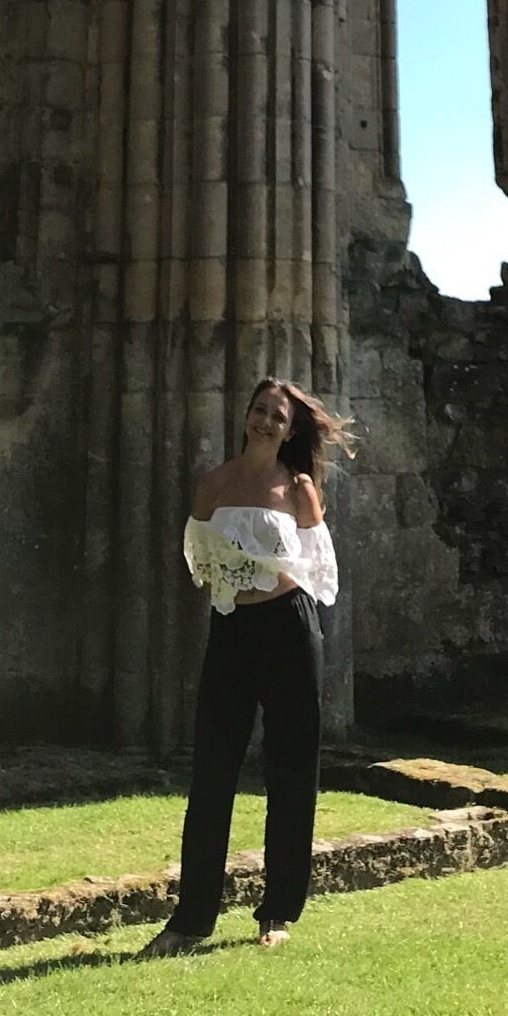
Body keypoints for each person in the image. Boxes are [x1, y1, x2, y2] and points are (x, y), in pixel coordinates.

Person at [140, 376, 354, 955]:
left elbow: (318, 568)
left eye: (277, 417)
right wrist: (231, 579)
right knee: (212, 772)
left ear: (289, 429)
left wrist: (270, 579)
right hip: (232, 630)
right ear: (245, 415)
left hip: (290, 627)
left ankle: (277, 913)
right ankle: (191, 920)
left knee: (291, 771)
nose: (265, 422)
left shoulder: (301, 487)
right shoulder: (213, 483)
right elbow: (199, 558)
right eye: (259, 410)